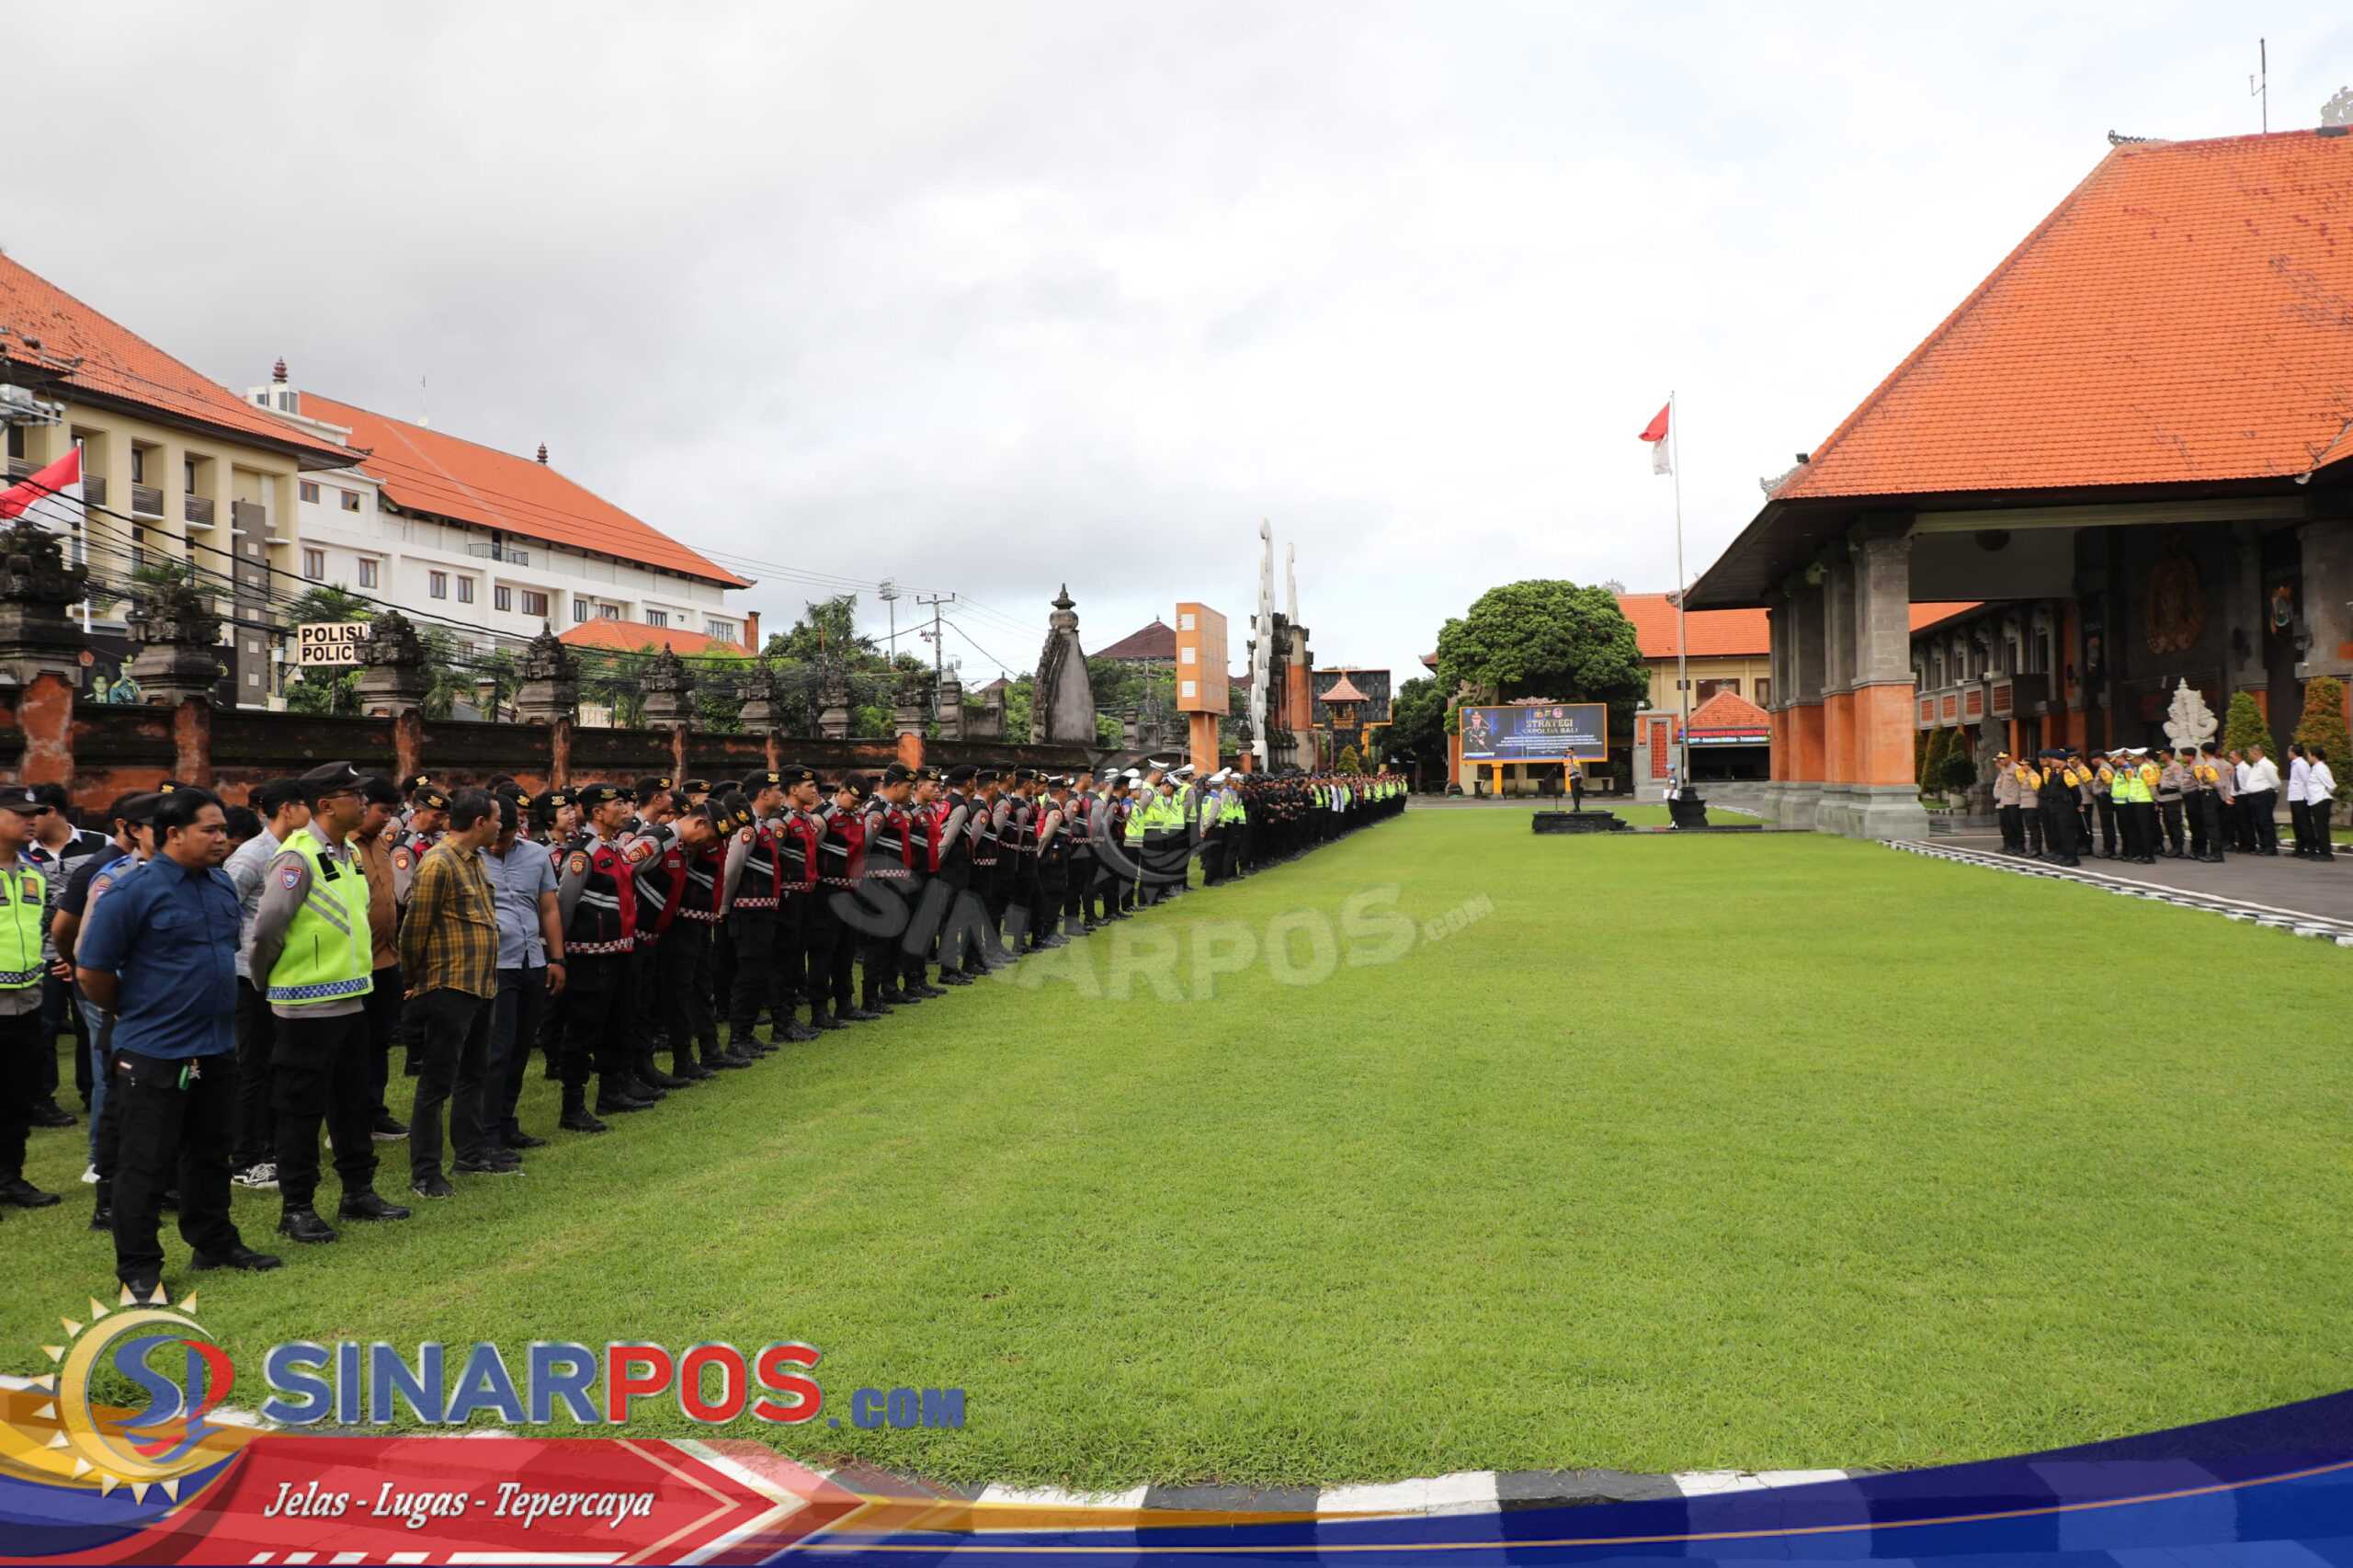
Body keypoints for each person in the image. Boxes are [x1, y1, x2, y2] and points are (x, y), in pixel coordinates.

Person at [74, 787, 278, 1298]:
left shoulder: (219, 886)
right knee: (145, 1162)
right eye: (209, 830)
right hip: (153, 1049)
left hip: (214, 1043)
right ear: (173, 834)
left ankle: (214, 1241)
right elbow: (93, 970)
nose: (221, 838)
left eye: (221, 830)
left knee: (210, 1153)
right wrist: (131, 1011)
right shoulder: (130, 892)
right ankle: (139, 1266)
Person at [246, 763, 413, 1244]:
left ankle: (358, 1191)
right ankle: (297, 1206)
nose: (364, 802)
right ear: (326, 804)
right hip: (304, 1007)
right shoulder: (295, 858)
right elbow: (266, 931)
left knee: (353, 1102)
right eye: (354, 795)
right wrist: (266, 983)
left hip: (352, 999)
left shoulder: (348, 855)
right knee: (300, 1109)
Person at [400, 787, 506, 1197]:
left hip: (480, 984)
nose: (501, 824)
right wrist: (413, 982)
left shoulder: (475, 860)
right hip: (449, 986)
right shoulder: (437, 863)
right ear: (479, 822)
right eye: (496, 818)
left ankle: (470, 1153)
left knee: (474, 1073)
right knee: (436, 1083)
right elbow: (414, 930)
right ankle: (425, 1174)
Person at [224, 778, 310, 1192]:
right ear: (288, 810)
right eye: (307, 806)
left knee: (280, 1065)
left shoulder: (300, 851)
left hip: (286, 976)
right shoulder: (251, 856)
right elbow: (225, 912)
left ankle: (274, 1147)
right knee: (253, 1068)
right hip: (249, 977)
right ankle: (245, 1158)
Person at [482, 793, 566, 1151]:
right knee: (496, 1051)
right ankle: (486, 1132)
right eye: (497, 834)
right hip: (493, 964)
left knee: (519, 1048)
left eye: (507, 834)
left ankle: (506, 1122)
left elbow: (548, 908)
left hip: (532, 961)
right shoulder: (468, 857)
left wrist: (557, 959)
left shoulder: (536, 854)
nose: (500, 842)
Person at [0, 786, 64, 1217]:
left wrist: (61, 959)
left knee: (19, 1095)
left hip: (27, 998)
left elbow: (44, 925)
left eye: (35, 813)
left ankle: (10, 1177)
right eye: (20, 813)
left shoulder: (33, 870)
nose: (32, 820)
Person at [350, 776, 408, 1140]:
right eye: (382, 811)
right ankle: (350, 1116)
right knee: (352, 1048)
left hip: (386, 961)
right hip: (355, 965)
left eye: (392, 812)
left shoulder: (381, 846)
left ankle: (374, 1111)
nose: (388, 819)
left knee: (379, 1044)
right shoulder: (342, 847)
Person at [2242, 744, 2280, 856]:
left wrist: (2268, 792)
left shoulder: (2267, 765)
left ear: (2257, 753)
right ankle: (2263, 845)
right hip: (2254, 796)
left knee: (2265, 822)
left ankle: (2271, 847)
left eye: (2250, 754)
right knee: (2258, 822)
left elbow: (2276, 782)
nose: (2249, 756)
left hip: (2264, 795)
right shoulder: (2256, 765)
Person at [2307, 746, 2336, 862]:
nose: (2308, 757)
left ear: (2314, 756)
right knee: (2319, 828)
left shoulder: (2320, 768)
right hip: (2317, 801)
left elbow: (2332, 786)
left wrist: (2322, 795)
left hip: (2321, 801)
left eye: (2309, 755)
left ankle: (2326, 854)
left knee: (2322, 828)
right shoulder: (2316, 767)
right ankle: (2323, 851)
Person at [2287, 743, 2313, 858]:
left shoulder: (2301, 764)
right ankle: (2300, 849)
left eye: (2289, 751)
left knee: (2304, 825)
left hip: (2301, 798)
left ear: (2293, 752)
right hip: (2294, 797)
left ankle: (2310, 849)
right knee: (2297, 825)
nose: (2287, 753)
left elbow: (2307, 781)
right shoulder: (2294, 764)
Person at [1991, 751, 2021, 854]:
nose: (2001, 760)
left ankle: (2019, 847)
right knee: (2005, 826)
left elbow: (2022, 784)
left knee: (2015, 825)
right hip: (2003, 802)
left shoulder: (2017, 769)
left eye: (2003, 758)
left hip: (2013, 801)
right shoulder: (2003, 769)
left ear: (2010, 758)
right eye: (2000, 758)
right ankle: (2008, 845)